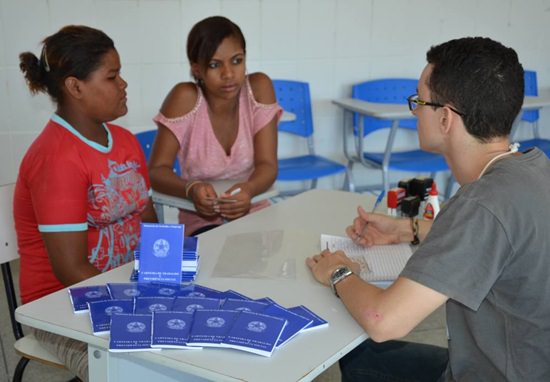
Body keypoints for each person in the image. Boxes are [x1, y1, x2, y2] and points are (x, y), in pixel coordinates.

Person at [307, 37, 550, 381]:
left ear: (446, 119)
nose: (415, 111)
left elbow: (384, 321)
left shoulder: (482, 203)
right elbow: (499, 238)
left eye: (419, 101)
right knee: (361, 357)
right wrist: (408, 230)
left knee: (364, 344)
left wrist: (339, 271)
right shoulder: (533, 170)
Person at [15, 25, 157, 381]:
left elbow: (150, 221)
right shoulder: (57, 157)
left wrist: (166, 283)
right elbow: (70, 270)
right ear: (75, 87)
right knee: (137, 372)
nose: (123, 84)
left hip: (125, 287)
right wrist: (140, 309)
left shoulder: (124, 140)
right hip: (60, 306)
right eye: (112, 76)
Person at [149, 16, 281, 236]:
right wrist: (191, 189)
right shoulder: (185, 98)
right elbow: (156, 171)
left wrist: (249, 189)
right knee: (225, 262)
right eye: (214, 65)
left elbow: (268, 165)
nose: (228, 74)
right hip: (202, 221)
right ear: (197, 69)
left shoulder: (258, 88)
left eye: (237, 61)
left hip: (256, 211)